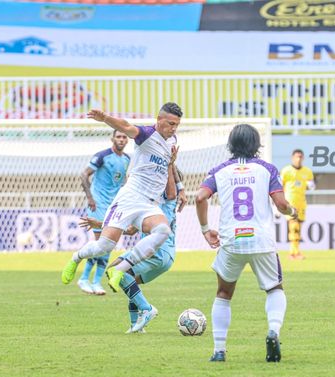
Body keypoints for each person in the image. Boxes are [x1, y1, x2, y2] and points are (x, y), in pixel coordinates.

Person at [61, 102, 183, 328]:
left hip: (149, 204)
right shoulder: (147, 134)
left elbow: (171, 175)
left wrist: (179, 183)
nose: (173, 128)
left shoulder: (173, 142)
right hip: (129, 198)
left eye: (177, 125)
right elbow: (126, 126)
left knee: (163, 230)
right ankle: (76, 258)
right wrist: (105, 117)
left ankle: (121, 267)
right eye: (170, 123)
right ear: (159, 120)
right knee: (104, 247)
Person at [196, 124, 298, 363]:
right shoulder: (267, 169)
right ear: (256, 145)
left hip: (232, 240)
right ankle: (273, 331)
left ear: (231, 144)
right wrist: (292, 211)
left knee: (223, 293)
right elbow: (281, 205)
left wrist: (205, 229)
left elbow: (200, 197)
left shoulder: (220, 170)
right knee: (274, 289)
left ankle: (219, 350)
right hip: (261, 240)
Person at [80, 167, 186, 333]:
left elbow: (172, 191)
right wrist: (100, 224)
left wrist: (169, 164)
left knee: (117, 271)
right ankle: (136, 325)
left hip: (157, 252)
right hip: (166, 256)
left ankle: (147, 309)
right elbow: (129, 230)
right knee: (130, 281)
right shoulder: (150, 205)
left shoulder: (167, 198)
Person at [76, 130, 131, 296]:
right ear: (112, 138)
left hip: (114, 207)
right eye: (118, 136)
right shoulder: (102, 156)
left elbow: (123, 182)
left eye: (124, 137)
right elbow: (84, 174)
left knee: (108, 246)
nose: (121, 139)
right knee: (102, 244)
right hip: (98, 205)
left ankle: (95, 281)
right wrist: (90, 197)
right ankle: (85, 278)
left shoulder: (127, 159)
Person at [280, 149, 315, 260]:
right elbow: (280, 186)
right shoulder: (286, 171)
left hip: (302, 202)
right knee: (293, 226)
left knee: (298, 227)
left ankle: (295, 251)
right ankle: (293, 253)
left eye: (300, 157)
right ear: (292, 158)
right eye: (296, 157)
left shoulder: (307, 172)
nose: (298, 159)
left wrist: (312, 185)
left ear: (303, 158)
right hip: (290, 202)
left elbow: (312, 186)